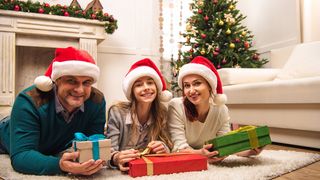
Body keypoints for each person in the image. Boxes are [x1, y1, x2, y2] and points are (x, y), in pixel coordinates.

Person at [0, 47, 106, 175]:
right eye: (71, 81)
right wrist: (60, 165)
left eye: (86, 82)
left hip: (52, 144)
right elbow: (21, 156)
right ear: (56, 81)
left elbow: (94, 143)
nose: (80, 90)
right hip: (6, 137)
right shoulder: (29, 100)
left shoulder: (96, 101)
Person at [167, 56, 263, 164]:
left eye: (197, 83)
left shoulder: (221, 109)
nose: (191, 90)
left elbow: (225, 145)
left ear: (210, 85)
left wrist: (250, 151)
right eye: (187, 86)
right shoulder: (176, 106)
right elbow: (177, 149)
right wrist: (200, 153)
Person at [106, 58, 173, 171]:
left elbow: (168, 145)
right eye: (139, 85)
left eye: (150, 83)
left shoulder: (162, 113)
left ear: (157, 88)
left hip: (145, 168)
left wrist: (163, 147)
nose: (146, 87)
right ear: (132, 91)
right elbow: (109, 151)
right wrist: (116, 158)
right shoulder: (117, 112)